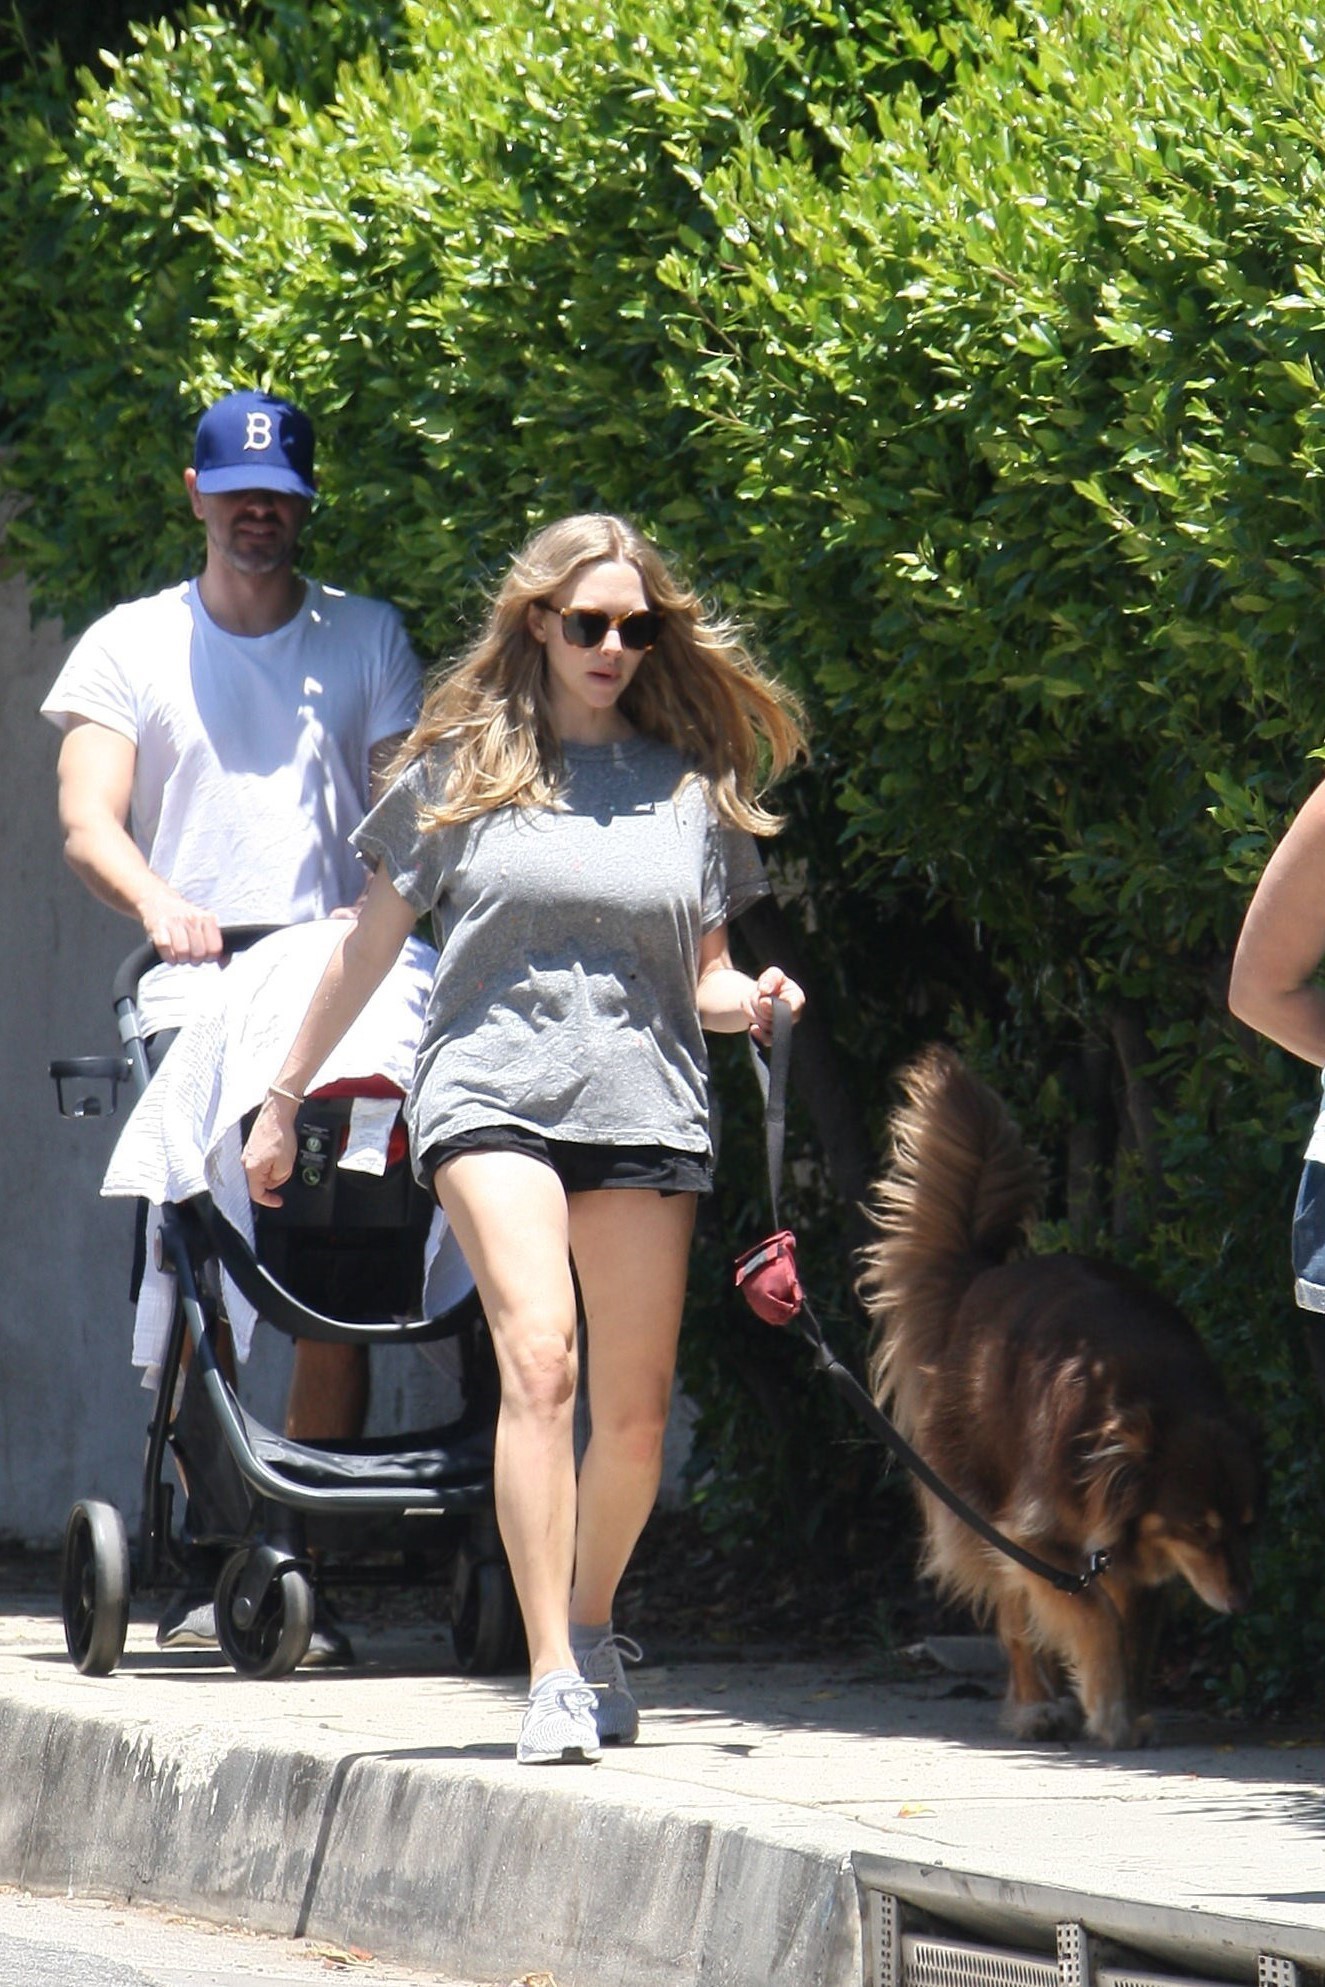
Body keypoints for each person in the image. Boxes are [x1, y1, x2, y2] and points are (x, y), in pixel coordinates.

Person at [242, 511, 808, 1760]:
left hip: (645, 1100)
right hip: (488, 1091)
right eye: (588, 623)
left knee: (636, 1417)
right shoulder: (459, 772)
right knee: (540, 1361)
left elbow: (706, 977)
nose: (611, 647)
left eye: (634, 627)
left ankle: (590, 1623)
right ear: (540, 622)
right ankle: (548, 1672)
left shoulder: (688, 787)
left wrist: (754, 1000)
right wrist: (282, 1098)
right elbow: (367, 946)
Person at [41, 387, 423, 1660]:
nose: (261, 514)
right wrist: (162, 901)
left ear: (305, 507)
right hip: (198, 982)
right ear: (196, 495)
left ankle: (296, 1543)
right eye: (239, 494)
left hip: (337, 982)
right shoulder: (131, 644)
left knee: (347, 1247)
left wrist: (373, 911)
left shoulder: (364, 636)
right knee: (200, 1253)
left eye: (282, 497)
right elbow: (88, 818)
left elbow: (400, 815)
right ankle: (219, 1537)